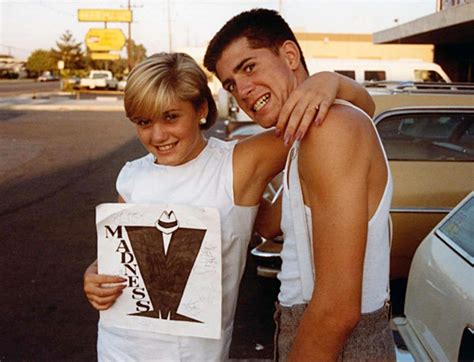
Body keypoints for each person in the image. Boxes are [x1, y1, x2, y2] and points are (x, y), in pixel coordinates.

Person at [83, 52, 374, 361]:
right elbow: (112, 262)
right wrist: (94, 276)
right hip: (117, 349)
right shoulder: (131, 175)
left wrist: (329, 81)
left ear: (201, 109)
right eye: (144, 122)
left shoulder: (238, 165)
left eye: (170, 117)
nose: (157, 135)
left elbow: (356, 114)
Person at [204, 8, 396, 361]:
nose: (242, 91)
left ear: (289, 55)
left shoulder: (329, 130)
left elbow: (336, 311)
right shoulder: (306, 136)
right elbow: (267, 223)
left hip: (336, 346)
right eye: (230, 84)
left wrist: (328, 79)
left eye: (249, 67)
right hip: (314, 333)